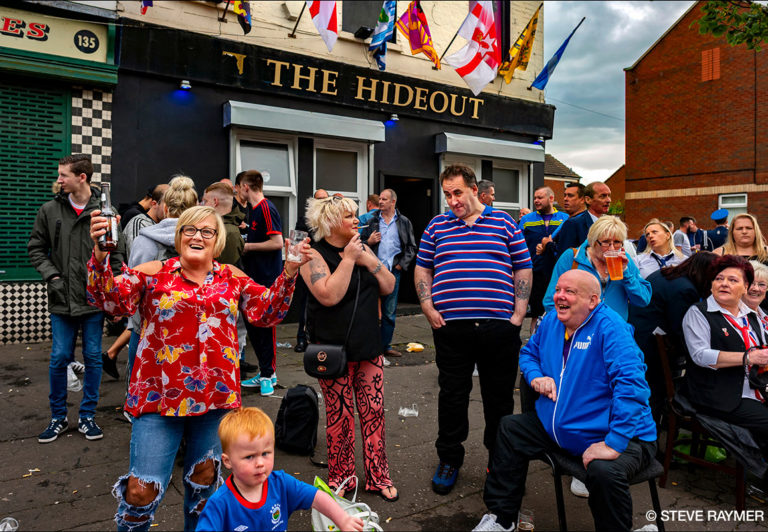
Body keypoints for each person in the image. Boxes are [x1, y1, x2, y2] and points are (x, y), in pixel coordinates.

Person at [87, 205, 307, 531]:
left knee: (204, 489)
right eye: (190, 229)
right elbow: (108, 301)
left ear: (217, 240)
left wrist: (290, 270)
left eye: (207, 231)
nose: (197, 236)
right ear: (179, 237)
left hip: (215, 401)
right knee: (140, 492)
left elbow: (267, 312)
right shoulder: (153, 272)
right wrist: (100, 254)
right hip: (158, 400)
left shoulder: (232, 277)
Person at [474, 270, 657, 532]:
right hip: (562, 428)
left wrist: (614, 443)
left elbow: (633, 388)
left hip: (621, 435)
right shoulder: (551, 321)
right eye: (559, 289)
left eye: (570, 292)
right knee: (510, 429)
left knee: (604, 472)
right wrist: (537, 376)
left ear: (593, 301)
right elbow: (528, 353)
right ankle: (502, 519)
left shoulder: (611, 328)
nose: (559, 295)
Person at [414, 163, 532, 496]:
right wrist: (427, 306)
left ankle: (499, 461)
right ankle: (449, 458)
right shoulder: (437, 226)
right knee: (452, 397)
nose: (452, 200)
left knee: (499, 399)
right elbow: (423, 268)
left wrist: (519, 312)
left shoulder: (504, 222)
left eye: (457, 192)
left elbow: (523, 267)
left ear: (474, 189)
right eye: (447, 194)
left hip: (499, 328)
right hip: (452, 328)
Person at [302, 195, 398, 501]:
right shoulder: (312, 255)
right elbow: (328, 295)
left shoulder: (363, 249)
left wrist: (369, 260)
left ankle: (377, 476)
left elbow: (389, 285)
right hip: (333, 352)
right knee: (339, 418)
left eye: (356, 215)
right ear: (330, 222)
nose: (357, 221)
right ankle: (341, 479)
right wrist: (348, 259)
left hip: (369, 347)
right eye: (349, 217)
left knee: (374, 413)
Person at [28, 154, 126, 444]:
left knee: (94, 357)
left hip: (93, 298)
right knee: (59, 357)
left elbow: (115, 253)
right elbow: (36, 248)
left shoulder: (105, 211)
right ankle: (58, 417)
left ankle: (87, 416)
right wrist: (53, 277)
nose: (58, 180)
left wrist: (115, 292)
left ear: (82, 177)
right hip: (62, 297)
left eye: (63, 175)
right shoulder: (49, 210)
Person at [196, 407, 363, 532]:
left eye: (265, 453)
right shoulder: (220, 504)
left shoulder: (281, 484)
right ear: (227, 461)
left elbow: (317, 497)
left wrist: (343, 519)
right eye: (249, 457)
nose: (260, 463)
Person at [682, 255, 768, 452]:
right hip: (719, 395)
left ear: (745, 287)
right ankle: (759, 477)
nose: (724, 284)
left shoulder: (750, 314)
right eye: (719, 279)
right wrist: (747, 358)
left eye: (733, 280)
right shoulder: (698, 313)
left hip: (755, 386)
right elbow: (700, 356)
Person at [125, 176, 199, 396]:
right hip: (190, 326)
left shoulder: (144, 239)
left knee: (142, 386)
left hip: (148, 326)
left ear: (165, 208)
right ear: (195, 208)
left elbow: (132, 286)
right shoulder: (202, 241)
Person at [628, 252, 718, 420]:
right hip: (651, 344)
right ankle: (651, 433)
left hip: (635, 333)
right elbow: (682, 329)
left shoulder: (665, 273)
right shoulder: (686, 289)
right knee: (654, 390)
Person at [103, 183, 169, 380]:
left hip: (141, 294)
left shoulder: (153, 224)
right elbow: (135, 260)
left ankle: (111, 356)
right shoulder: (141, 223)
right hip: (137, 291)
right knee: (136, 331)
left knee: (135, 330)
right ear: (156, 203)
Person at [544, 216, 651, 321]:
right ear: (593, 241)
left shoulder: (624, 260)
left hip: (614, 332)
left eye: (617, 242)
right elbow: (551, 301)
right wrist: (569, 327)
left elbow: (643, 300)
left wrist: (626, 273)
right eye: (605, 242)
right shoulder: (572, 258)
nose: (612, 248)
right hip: (579, 332)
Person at [239, 170, 284, 396]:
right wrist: (246, 233)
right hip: (254, 278)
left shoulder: (266, 208)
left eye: (239, 187)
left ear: (246, 187)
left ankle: (269, 375)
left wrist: (246, 247)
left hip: (267, 279)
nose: (238, 192)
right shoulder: (253, 211)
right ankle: (265, 373)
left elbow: (277, 243)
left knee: (266, 328)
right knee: (254, 328)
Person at [361, 189, 417, 358]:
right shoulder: (372, 221)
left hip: (393, 272)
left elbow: (411, 247)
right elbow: (359, 243)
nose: (381, 202)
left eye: (385, 199)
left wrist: (400, 266)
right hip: (372, 271)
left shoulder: (404, 222)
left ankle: (385, 346)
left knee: (389, 312)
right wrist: (369, 241)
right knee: (368, 311)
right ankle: (369, 346)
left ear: (393, 202)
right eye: (380, 199)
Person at [519, 186, 568, 334]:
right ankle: (534, 343)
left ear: (551, 199)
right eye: (535, 198)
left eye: (540, 197)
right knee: (536, 312)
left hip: (558, 273)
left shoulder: (564, 219)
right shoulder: (527, 220)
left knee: (559, 310)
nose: (536, 201)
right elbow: (518, 245)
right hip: (536, 273)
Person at [294, 188, 329, 353]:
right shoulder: (304, 220)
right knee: (305, 305)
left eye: (324, 199)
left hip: (328, 267)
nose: (321, 202)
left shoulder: (332, 220)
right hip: (307, 267)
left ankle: (319, 339)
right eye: (318, 199)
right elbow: (297, 243)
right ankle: (302, 339)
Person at [551, 182, 611, 258]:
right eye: (603, 196)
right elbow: (565, 258)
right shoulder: (573, 224)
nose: (608, 200)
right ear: (588, 200)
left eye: (609, 196)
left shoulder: (610, 224)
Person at [201, 182, 244, 266]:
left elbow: (224, 270)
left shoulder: (230, 233)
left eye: (205, 201)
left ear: (215, 202)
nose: (202, 206)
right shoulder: (221, 227)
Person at [744, 261, 768, 332]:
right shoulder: (733, 316)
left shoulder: (765, 315)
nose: (756, 289)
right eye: (751, 283)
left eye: (761, 284)